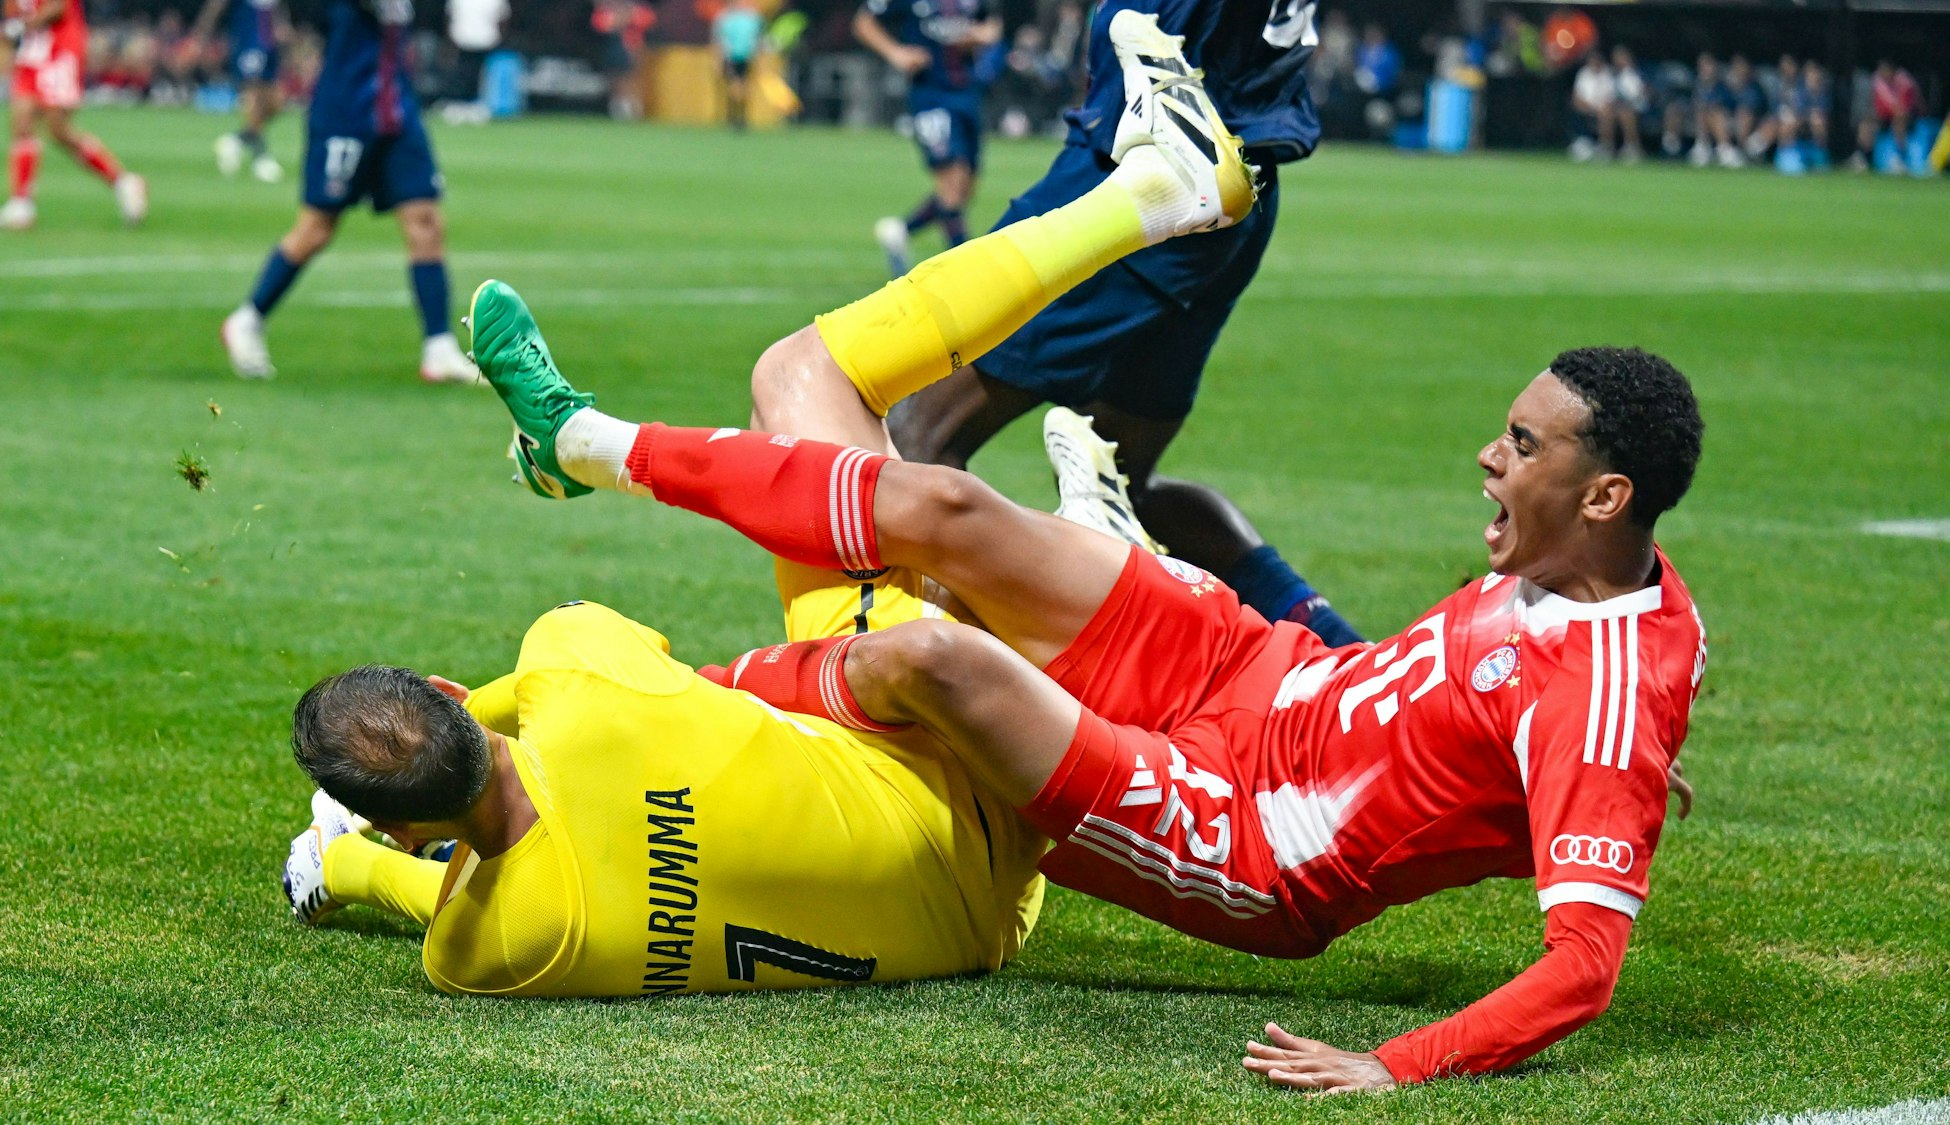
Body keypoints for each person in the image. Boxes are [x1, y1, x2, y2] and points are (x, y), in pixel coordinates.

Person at [462, 13, 1706, 1089]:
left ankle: (661, 650)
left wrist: (1392, 1063)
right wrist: (1280, 601)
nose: (1489, 458)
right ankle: (589, 448)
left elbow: (1581, 971)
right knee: (937, 504)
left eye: (1520, 445)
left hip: (1248, 835)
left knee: (934, 651)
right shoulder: (1566, 583)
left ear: (1602, 495)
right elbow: (1448, 708)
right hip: (1244, 670)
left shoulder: (1607, 687)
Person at [281, 580, 1049, 996]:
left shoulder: (483, 951)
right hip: (975, 785)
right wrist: (474, 713)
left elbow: (450, 896)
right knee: (807, 411)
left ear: (406, 831)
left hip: (981, 938)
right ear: (448, 694)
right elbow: (627, 660)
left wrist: (344, 865)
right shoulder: (570, 664)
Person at [887, 0, 1365, 660]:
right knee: (1124, 481)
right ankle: (1341, 655)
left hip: (1144, 172)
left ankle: (965, 699)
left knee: (916, 436)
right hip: (1238, 183)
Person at [219, 0, 480, 385]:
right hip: (345, 111)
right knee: (316, 228)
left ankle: (439, 347)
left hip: (396, 110)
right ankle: (247, 319)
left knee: (425, 220)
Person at [856, 0, 1001, 277]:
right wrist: (895, 52)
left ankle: (900, 231)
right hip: (930, 95)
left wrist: (984, 35)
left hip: (967, 93)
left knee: (964, 190)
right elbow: (863, 21)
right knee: (950, 184)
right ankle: (964, 269)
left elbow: (991, 23)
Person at [1, 0, 148, 231]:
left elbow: (58, 8)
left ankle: (123, 181)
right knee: (21, 119)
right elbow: (12, 16)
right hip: (33, 50)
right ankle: (22, 202)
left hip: (61, 48)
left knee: (58, 129)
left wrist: (21, 27)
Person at [192, 0, 288, 181]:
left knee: (275, 103)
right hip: (249, 37)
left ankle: (235, 140)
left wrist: (282, 25)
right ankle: (261, 157)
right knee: (254, 97)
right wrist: (202, 31)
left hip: (269, 41)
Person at [1851, 58, 1918, 174]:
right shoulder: (1878, 82)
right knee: (1866, 124)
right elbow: (1879, 106)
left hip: (1907, 119)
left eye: (1885, 71)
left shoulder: (1905, 82)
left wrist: (1896, 110)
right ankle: (1862, 157)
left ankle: (1899, 158)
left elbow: (1906, 107)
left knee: (1899, 119)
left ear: (1892, 71)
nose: (1882, 74)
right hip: (1885, 117)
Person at [591, 0, 653, 121]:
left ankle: (634, 110)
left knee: (631, 79)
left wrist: (626, 17)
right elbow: (600, 24)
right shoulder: (605, 10)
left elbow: (648, 20)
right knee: (614, 79)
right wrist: (622, 18)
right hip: (611, 48)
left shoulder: (636, 8)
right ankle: (618, 110)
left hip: (632, 48)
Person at [712, 0, 762, 131]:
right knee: (737, 85)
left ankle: (738, 116)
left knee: (739, 86)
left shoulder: (749, 18)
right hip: (737, 56)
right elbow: (719, 39)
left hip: (740, 56)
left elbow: (756, 39)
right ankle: (737, 116)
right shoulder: (729, 18)